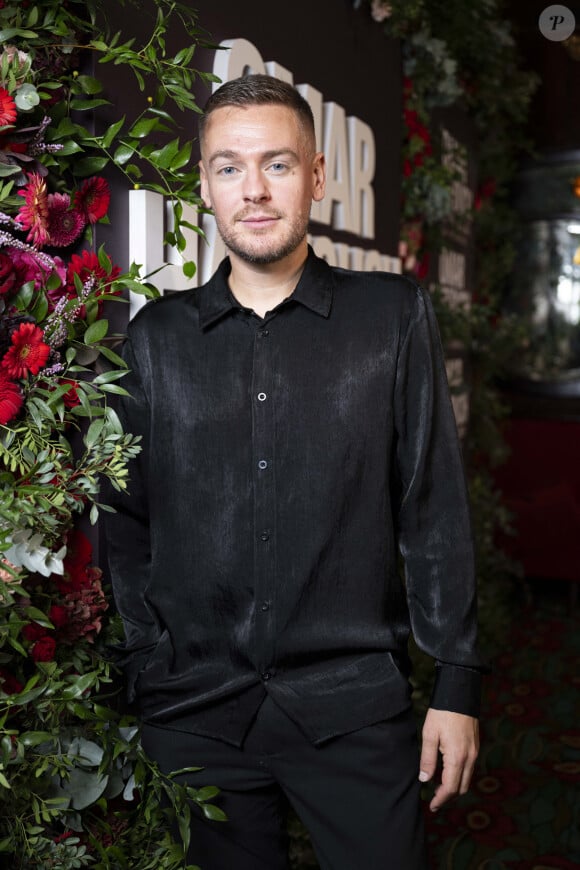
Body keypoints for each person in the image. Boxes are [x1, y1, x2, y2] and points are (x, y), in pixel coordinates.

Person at [104, 74, 487, 870]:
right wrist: (147, 663)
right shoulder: (156, 338)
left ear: (316, 176)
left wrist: (456, 685)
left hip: (352, 708)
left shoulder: (392, 315)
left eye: (277, 165)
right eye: (230, 167)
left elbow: (432, 511)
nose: (254, 190)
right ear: (204, 184)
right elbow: (125, 520)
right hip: (198, 711)